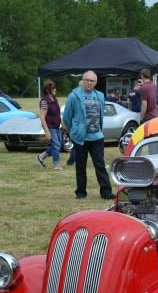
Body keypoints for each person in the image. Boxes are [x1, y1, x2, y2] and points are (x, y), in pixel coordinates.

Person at [62, 70, 113, 200]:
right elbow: (67, 117)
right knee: (80, 166)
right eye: (87, 80)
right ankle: (80, 192)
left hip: (97, 137)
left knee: (100, 165)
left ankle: (106, 192)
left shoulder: (100, 96)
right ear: (82, 80)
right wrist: (75, 130)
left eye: (92, 81)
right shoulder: (74, 96)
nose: (89, 83)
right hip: (81, 138)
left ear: (96, 82)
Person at [36, 79, 63, 172]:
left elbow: (58, 114)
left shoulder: (55, 99)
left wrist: (62, 123)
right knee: (56, 146)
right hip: (50, 127)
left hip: (57, 126)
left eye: (55, 87)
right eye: (53, 88)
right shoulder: (44, 101)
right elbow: (42, 117)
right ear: (48, 90)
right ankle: (56, 165)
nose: (55, 89)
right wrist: (46, 131)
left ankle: (41, 156)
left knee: (58, 146)